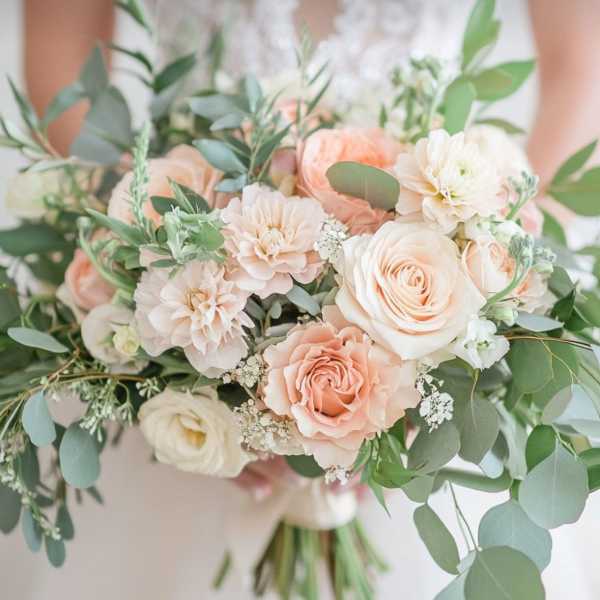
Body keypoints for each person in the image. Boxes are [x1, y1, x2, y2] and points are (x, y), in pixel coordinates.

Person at [7, 2, 600, 599]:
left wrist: (475, 288)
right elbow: (62, 43)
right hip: (184, 296)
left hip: (428, 348)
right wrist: (147, 284)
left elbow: (581, 62)